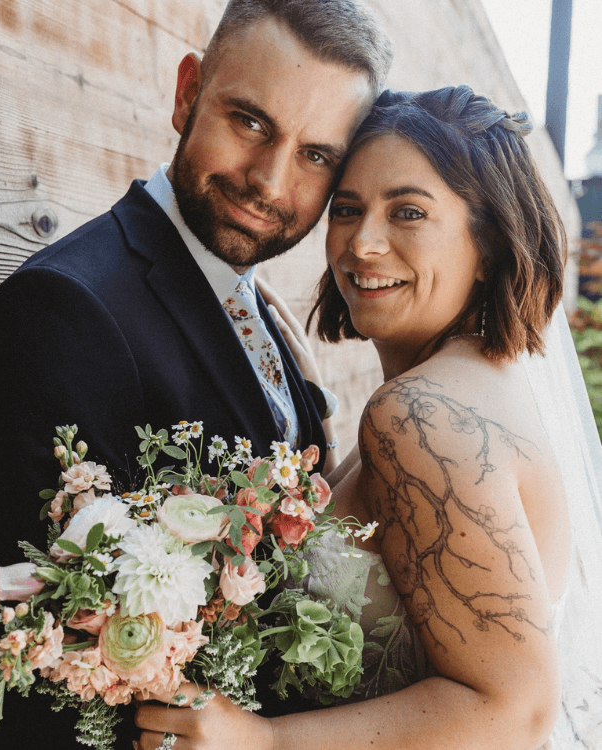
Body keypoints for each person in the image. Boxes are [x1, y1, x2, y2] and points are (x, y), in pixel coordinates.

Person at [0, 1, 392, 747]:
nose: (270, 182)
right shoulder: (66, 311)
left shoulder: (254, 302)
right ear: (188, 91)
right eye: (250, 121)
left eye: (316, 155)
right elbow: (58, 669)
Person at [133, 87, 602, 749]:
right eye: (347, 210)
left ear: (489, 242)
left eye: (407, 211)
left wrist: (263, 743)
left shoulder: (420, 415)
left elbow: (515, 711)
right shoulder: (476, 383)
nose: (363, 243)